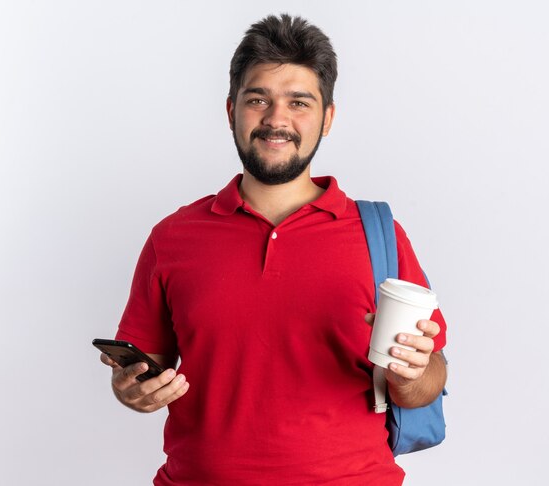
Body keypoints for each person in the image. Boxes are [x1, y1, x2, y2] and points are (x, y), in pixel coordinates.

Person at [100, 13, 447, 485]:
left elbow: (430, 378)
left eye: (298, 102)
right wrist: (132, 390)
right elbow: (147, 367)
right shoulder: (173, 237)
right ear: (231, 111)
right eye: (258, 98)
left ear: (327, 118)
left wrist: (411, 376)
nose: (276, 119)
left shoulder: (378, 234)